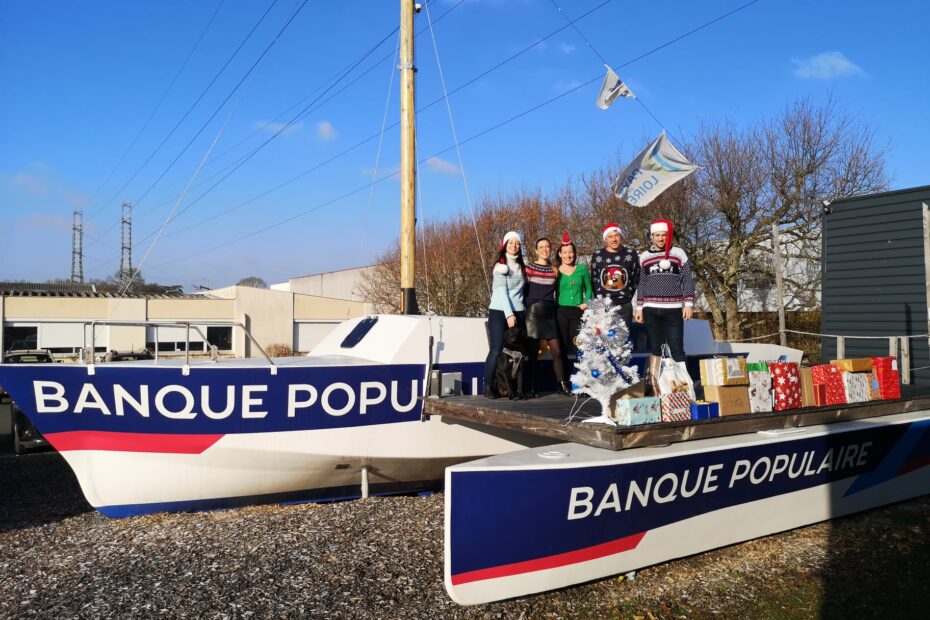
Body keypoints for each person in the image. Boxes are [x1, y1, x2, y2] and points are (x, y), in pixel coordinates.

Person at [633, 218, 696, 391]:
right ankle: (658, 388)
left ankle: (685, 388)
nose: (660, 239)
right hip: (650, 308)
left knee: (677, 347)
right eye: (657, 235)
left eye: (664, 235)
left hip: (674, 308)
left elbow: (687, 280)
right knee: (655, 347)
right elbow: (642, 283)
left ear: (669, 236)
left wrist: (688, 304)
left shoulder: (679, 253)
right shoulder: (644, 257)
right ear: (651, 236)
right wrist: (638, 308)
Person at [482, 231, 526, 399]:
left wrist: (521, 312)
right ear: (504, 245)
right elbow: (501, 291)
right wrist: (509, 315)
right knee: (497, 348)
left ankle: (519, 389)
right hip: (500, 311)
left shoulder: (522, 266)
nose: (514, 246)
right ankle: (488, 386)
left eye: (517, 243)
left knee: (520, 351)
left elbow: (522, 292)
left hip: (518, 311)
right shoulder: (500, 266)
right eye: (511, 243)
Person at [524, 237, 568, 396]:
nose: (544, 249)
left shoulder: (555, 270)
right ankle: (532, 387)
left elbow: (559, 292)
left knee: (557, 351)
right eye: (541, 247)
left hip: (550, 312)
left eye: (547, 247)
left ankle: (561, 385)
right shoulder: (528, 267)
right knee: (533, 353)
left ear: (550, 249)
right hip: (534, 312)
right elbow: (523, 290)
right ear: (536, 250)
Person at [554, 232, 591, 394]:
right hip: (560, 312)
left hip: (577, 312)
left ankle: (581, 383)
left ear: (574, 253)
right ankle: (563, 383)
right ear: (560, 254)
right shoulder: (556, 271)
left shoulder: (582, 269)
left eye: (571, 252)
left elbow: (589, 289)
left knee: (579, 347)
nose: (569, 255)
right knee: (561, 349)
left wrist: (586, 302)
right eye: (565, 252)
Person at [590, 222, 640, 328]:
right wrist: (598, 300)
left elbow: (636, 277)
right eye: (610, 236)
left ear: (620, 236)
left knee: (624, 339)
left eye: (616, 235)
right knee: (604, 339)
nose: (614, 239)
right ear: (605, 239)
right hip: (604, 305)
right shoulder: (598, 255)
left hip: (624, 303)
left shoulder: (631, 254)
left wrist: (630, 298)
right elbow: (594, 279)